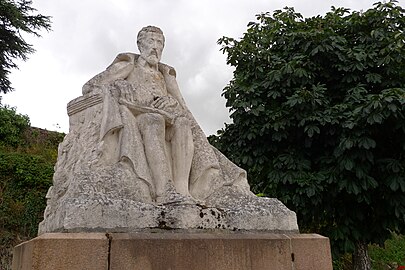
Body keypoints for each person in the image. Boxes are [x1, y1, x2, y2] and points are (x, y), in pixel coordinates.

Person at [82, 26, 249, 204]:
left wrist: (172, 102)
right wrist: (117, 84)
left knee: (183, 123)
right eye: (151, 41)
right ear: (140, 44)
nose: (155, 47)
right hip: (136, 116)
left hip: (165, 117)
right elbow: (90, 87)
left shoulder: (164, 74)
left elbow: (181, 106)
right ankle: (164, 190)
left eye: (159, 43)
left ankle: (182, 190)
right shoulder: (127, 65)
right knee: (153, 121)